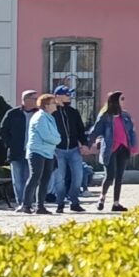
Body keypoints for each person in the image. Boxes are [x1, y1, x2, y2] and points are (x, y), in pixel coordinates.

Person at [89, 90, 136, 211]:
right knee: (110, 176)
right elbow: (96, 130)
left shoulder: (125, 116)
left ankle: (116, 203)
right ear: (115, 101)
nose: (123, 102)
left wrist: (133, 146)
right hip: (110, 150)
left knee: (119, 177)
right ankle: (102, 197)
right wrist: (87, 143)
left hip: (123, 148)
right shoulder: (105, 116)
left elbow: (131, 132)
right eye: (122, 99)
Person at [51, 83, 91, 213]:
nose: (69, 96)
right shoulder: (52, 112)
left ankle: (74, 202)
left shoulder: (73, 112)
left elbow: (80, 129)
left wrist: (84, 143)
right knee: (60, 178)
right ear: (57, 96)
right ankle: (60, 203)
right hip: (58, 150)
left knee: (78, 176)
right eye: (67, 94)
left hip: (74, 149)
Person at [24, 92, 63, 212]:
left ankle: (40, 206)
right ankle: (26, 205)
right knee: (35, 177)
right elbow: (47, 136)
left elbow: (56, 135)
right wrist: (57, 140)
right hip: (37, 152)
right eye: (53, 103)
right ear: (46, 105)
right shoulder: (40, 117)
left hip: (48, 152)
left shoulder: (50, 118)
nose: (56, 105)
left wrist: (57, 139)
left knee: (45, 179)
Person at [0, 90, 34, 207]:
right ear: (25, 100)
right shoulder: (12, 114)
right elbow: (3, 131)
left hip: (32, 152)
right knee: (18, 180)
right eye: (34, 99)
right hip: (16, 151)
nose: (36, 101)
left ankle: (28, 202)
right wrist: (10, 144)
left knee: (29, 178)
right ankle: (21, 202)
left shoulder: (38, 114)